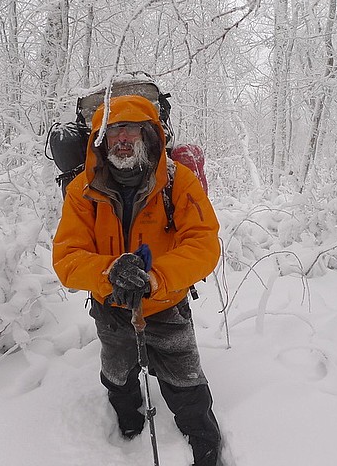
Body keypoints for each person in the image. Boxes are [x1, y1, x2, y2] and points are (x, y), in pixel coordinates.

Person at [53, 94, 222, 466]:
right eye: (112, 132)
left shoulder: (178, 183)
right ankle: (128, 423)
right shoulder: (83, 190)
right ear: (100, 139)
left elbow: (204, 243)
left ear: (149, 134)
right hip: (111, 307)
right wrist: (109, 272)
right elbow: (66, 257)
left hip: (165, 304)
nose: (122, 139)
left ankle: (206, 449)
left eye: (129, 129)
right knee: (117, 375)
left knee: (188, 385)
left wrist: (156, 277)